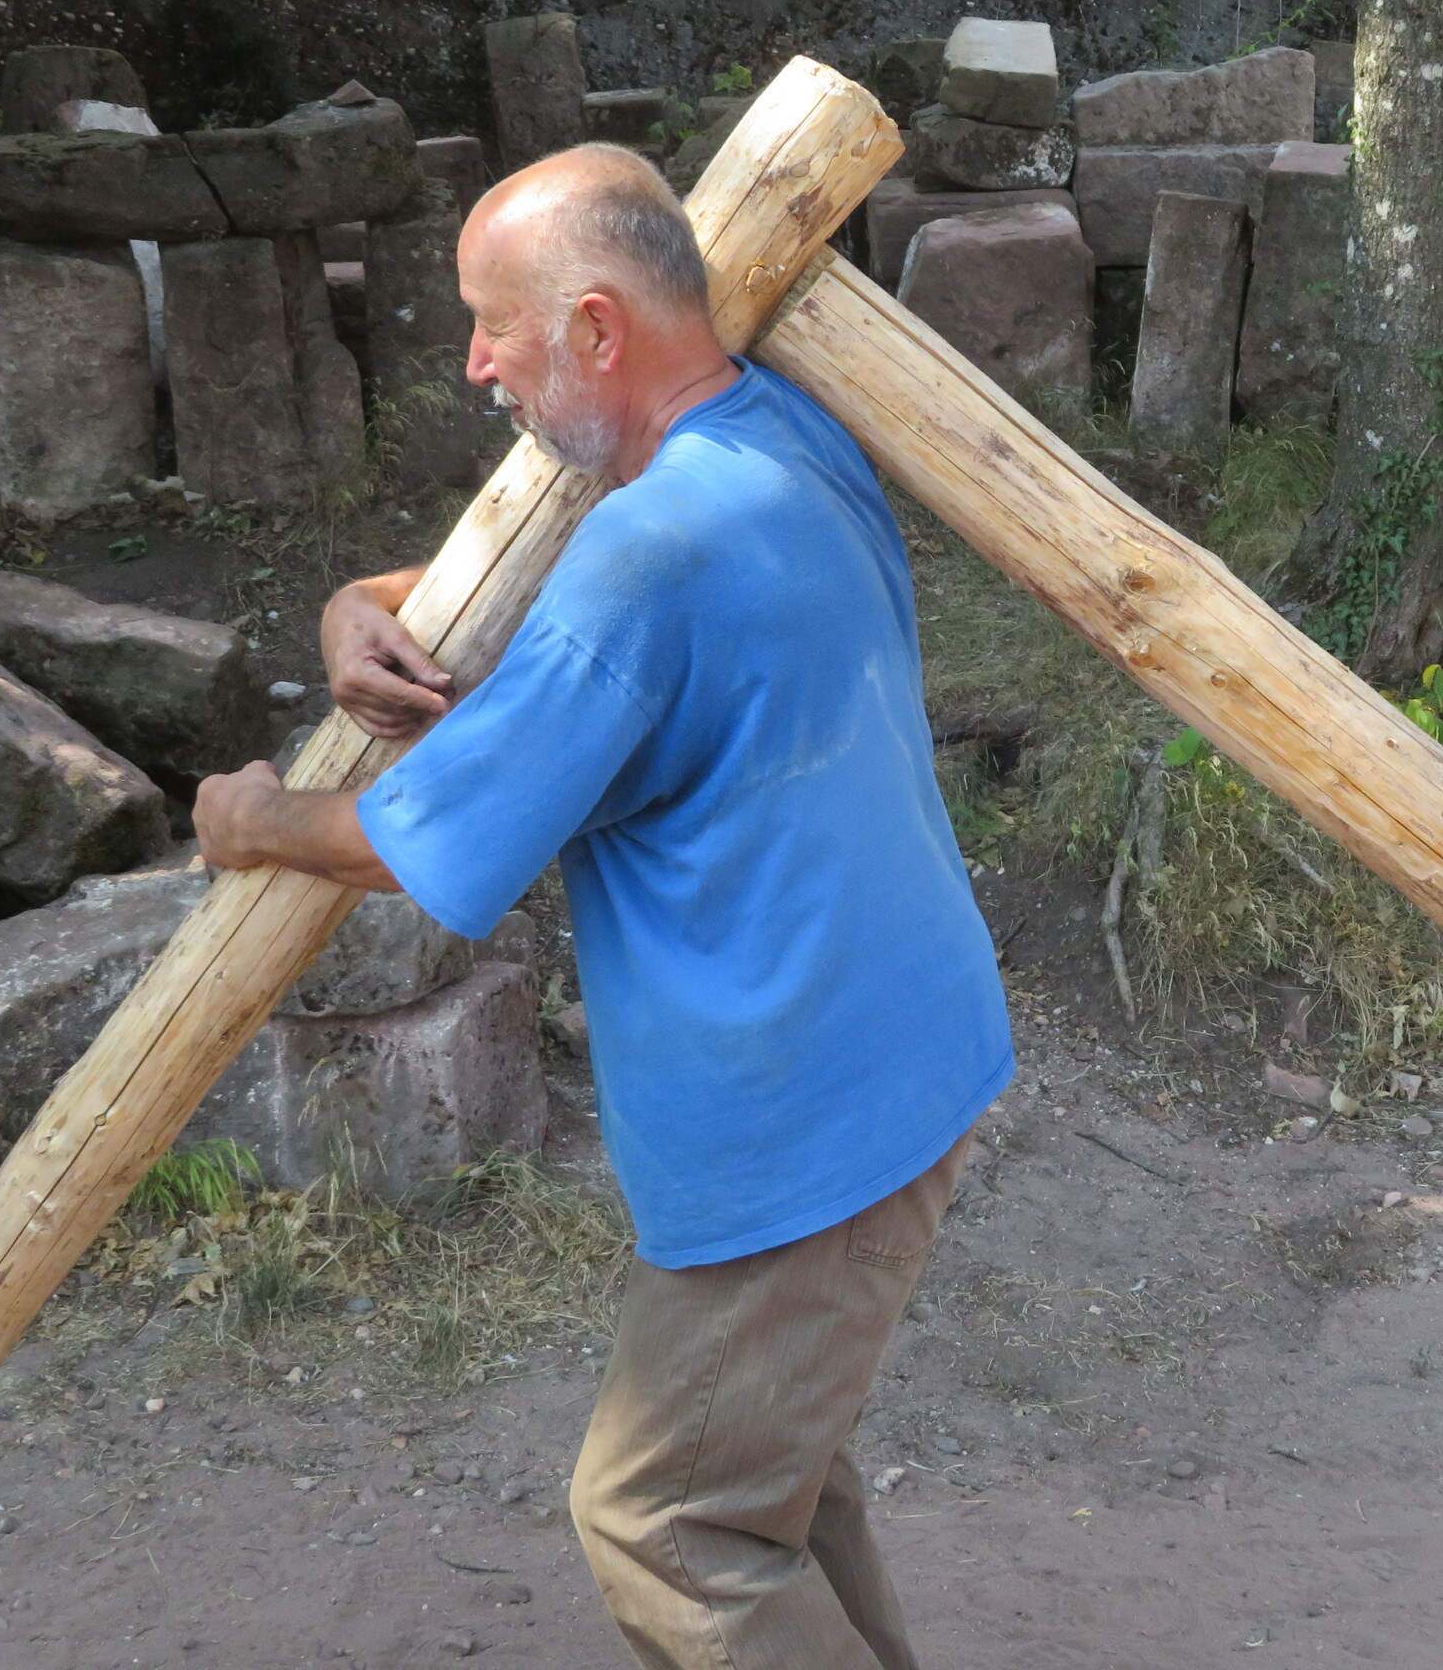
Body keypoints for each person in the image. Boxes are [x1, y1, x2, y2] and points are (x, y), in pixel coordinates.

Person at [192, 143, 1012, 1669]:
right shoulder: (775, 441)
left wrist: (250, 820)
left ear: (594, 328)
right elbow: (546, 608)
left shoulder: (647, 554)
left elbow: (416, 844)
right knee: (767, 1481)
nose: (474, 362)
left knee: (669, 1522)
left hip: (801, 1111)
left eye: (492, 323)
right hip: (891, 1049)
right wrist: (355, 604)